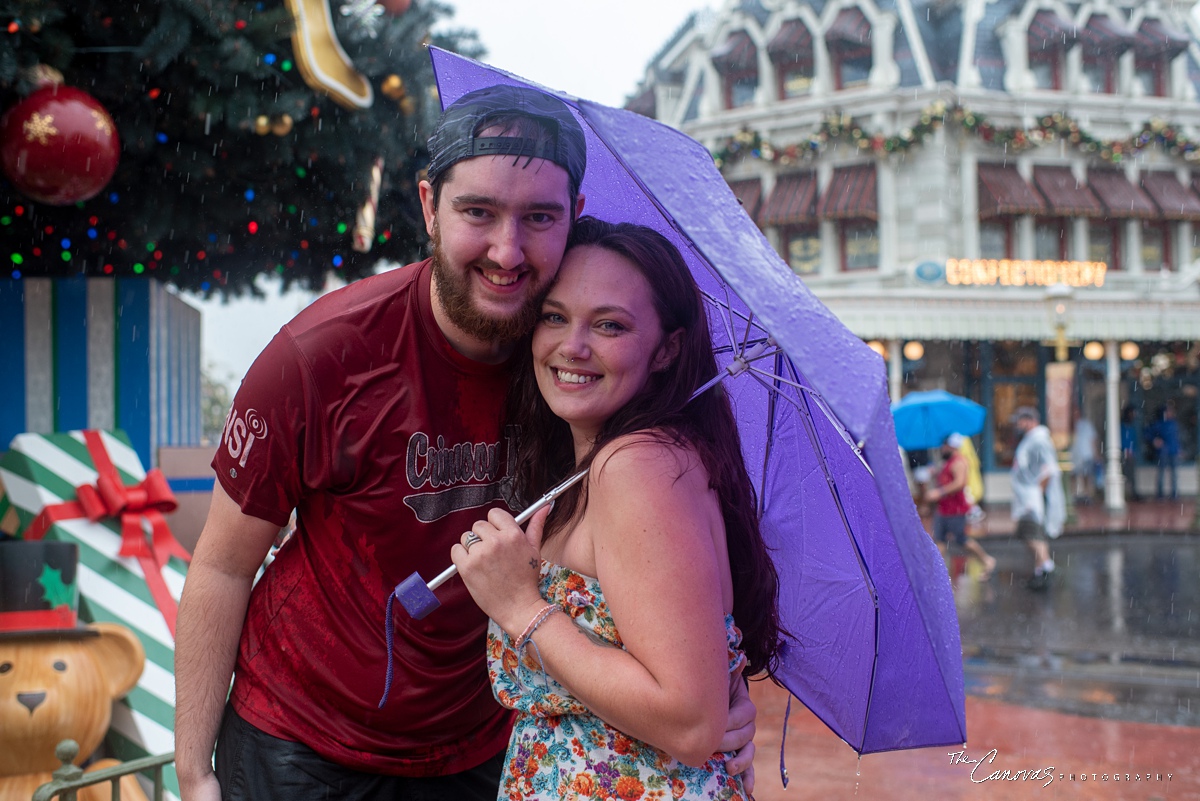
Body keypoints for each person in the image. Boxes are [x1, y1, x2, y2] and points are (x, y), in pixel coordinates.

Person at [173, 86, 757, 801]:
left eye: (539, 217)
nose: (507, 252)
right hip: (303, 742)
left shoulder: (568, 363)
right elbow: (224, 566)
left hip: (487, 747)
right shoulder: (322, 356)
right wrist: (193, 767)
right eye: (478, 212)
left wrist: (707, 699)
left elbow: (667, 572)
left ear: (572, 217)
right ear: (428, 206)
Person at [452, 218, 781, 799]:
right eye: (554, 317)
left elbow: (688, 720)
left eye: (609, 325)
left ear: (667, 350)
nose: (572, 346)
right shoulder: (603, 467)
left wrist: (521, 607)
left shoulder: (634, 467)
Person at [925, 433, 995, 579]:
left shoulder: (959, 462)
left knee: (962, 539)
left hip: (956, 509)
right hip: (944, 508)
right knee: (939, 539)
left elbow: (959, 483)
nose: (943, 448)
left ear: (952, 446)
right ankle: (937, 573)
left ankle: (987, 559)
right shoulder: (948, 461)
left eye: (945, 446)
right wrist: (935, 474)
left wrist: (939, 492)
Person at [1009, 407, 1064, 591]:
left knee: (1030, 532)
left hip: (1030, 498)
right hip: (1026, 497)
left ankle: (1046, 566)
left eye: (1020, 421)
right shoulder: (1031, 440)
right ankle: (1041, 568)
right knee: (1031, 533)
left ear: (1030, 421)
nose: (1017, 425)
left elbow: (1049, 470)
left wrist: (1036, 494)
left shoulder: (1038, 441)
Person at [1149, 401, 1180, 500]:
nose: (1170, 413)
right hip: (1163, 452)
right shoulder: (1158, 424)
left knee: (1174, 474)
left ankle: (1174, 494)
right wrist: (1155, 440)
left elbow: (1177, 438)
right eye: (1168, 411)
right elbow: (1148, 433)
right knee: (1161, 473)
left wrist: (1179, 449)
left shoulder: (1174, 424)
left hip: (1173, 452)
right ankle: (1160, 494)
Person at [1070, 413, 1098, 503]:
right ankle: (1073, 495)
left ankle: (1087, 495)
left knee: (1086, 476)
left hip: (1086, 455)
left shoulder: (1086, 425)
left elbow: (1092, 439)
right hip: (1074, 455)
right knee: (1073, 475)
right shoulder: (1071, 425)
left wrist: (1096, 453)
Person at [1120, 404, 1141, 502]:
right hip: (1123, 455)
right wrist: (1126, 450)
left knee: (1131, 475)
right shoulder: (1122, 427)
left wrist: (1133, 451)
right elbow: (1122, 440)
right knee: (1124, 474)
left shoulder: (1131, 427)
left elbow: (1133, 440)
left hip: (1131, 454)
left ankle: (1133, 493)